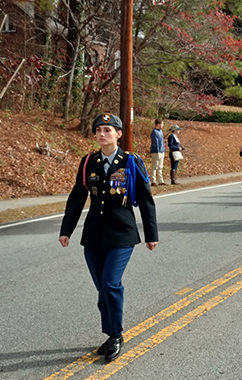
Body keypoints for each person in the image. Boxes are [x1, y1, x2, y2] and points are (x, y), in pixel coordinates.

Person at [59, 113, 158, 363]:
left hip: (122, 233)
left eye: (107, 130)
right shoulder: (88, 162)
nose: (102, 134)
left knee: (111, 284)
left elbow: (146, 200)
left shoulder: (131, 162)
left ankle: (115, 335)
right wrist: (66, 230)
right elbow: (77, 198)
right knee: (103, 289)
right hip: (93, 234)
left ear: (119, 134)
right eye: (98, 130)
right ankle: (112, 333)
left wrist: (151, 234)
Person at [148, 119, 165, 186]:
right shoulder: (154, 132)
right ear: (158, 124)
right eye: (162, 124)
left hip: (162, 151)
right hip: (156, 152)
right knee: (155, 167)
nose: (162, 125)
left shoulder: (161, 131)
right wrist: (157, 151)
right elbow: (155, 143)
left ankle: (161, 180)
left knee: (160, 167)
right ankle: (153, 181)